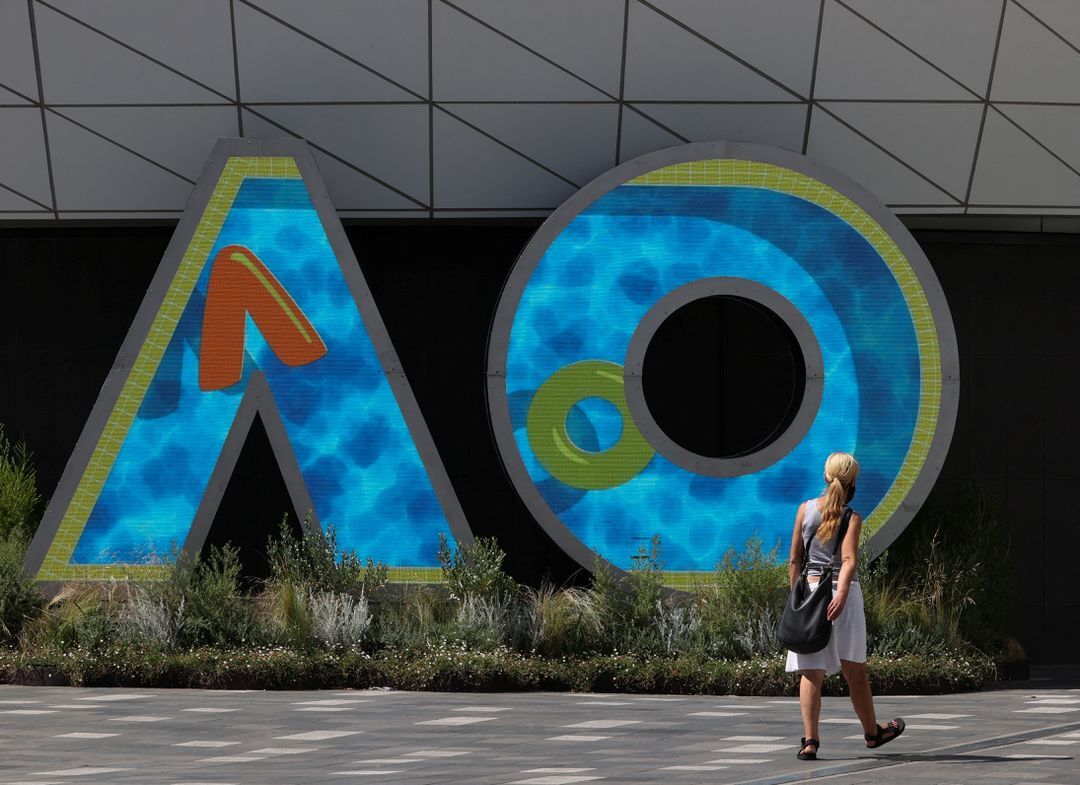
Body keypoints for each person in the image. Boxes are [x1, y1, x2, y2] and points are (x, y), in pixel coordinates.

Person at [786, 452, 905, 761]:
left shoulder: (804, 510)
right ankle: (872, 734)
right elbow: (849, 559)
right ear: (854, 481)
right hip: (844, 594)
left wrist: (798, 597)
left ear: (825, 477)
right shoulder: (852, 517)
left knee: (811, 672)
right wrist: (839, 594)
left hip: (810, 592)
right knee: (855, 671)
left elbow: (795, 560)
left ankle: (810, 741)